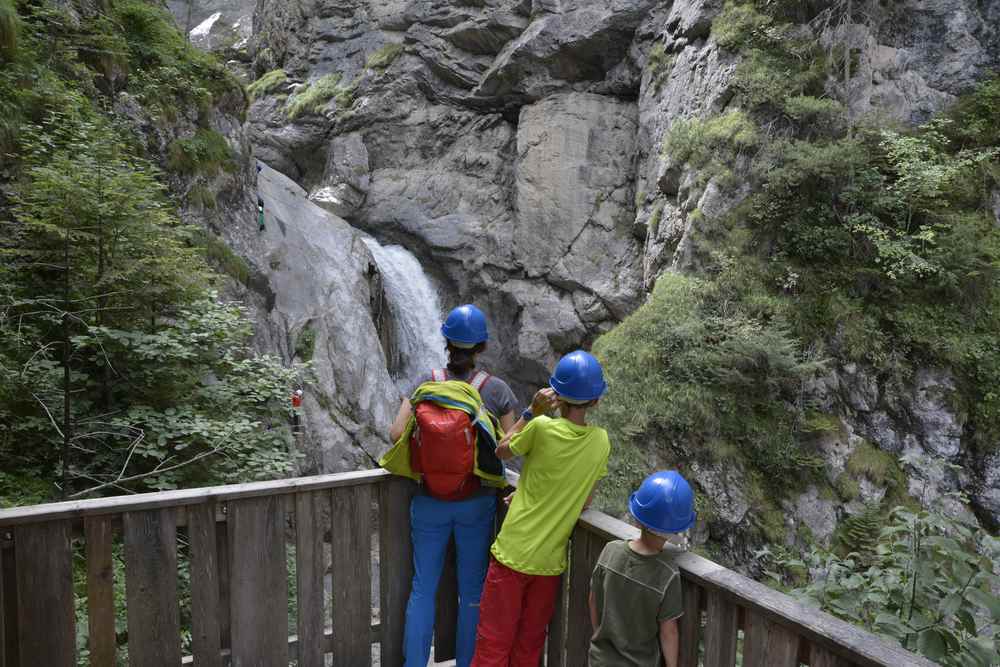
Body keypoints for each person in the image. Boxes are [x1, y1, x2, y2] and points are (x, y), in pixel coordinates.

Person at [385, 304, 519, 667]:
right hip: (476, 502)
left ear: (446, 341)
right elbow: (509, 449)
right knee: (472, 593)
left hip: (428, 501)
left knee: (422, 588)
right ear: (482, 347)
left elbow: (396, 434)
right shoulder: (496, 390)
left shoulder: (424, 382)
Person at [472, 350, 611, 667]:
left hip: (512, 553)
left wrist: (529, 412)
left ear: (556, 396)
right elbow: (583, 500)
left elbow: (501, 450)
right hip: (549, 565)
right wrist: (530, 491)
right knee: (529, 648)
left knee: (493, 644)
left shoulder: (541, 427)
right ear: (595, 401)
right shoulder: (601, 442)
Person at [588, 471, 696, 667]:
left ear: (637, 518)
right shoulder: (667, 573)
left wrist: (597, 633)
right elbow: (668, 630)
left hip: (600, 659)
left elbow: (593, 599)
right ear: (675, 530)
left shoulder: (610, 550)